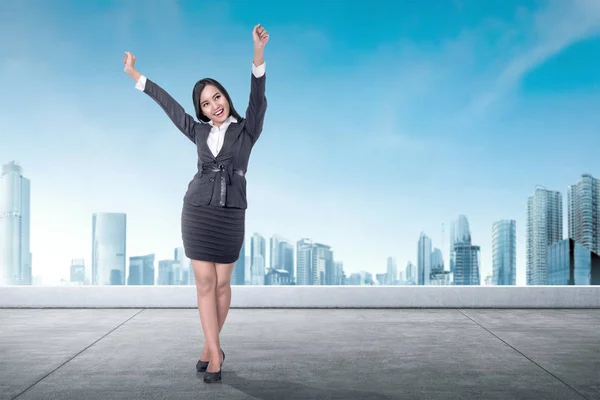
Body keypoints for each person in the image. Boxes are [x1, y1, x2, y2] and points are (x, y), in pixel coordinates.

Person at [123, 24, 269, 383]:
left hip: (231, 211)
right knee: (204, 283)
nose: (213, 105)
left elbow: (258, 97)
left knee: (222, 284)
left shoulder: (247, 128)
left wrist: (258, 54)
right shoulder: (199, 131)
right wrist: (135, 75)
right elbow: (169, 105)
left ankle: (210, 346)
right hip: (198, 210)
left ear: (225, 97)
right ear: (201, 111)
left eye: (216, 97)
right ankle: (215, 354)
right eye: (206, 103)